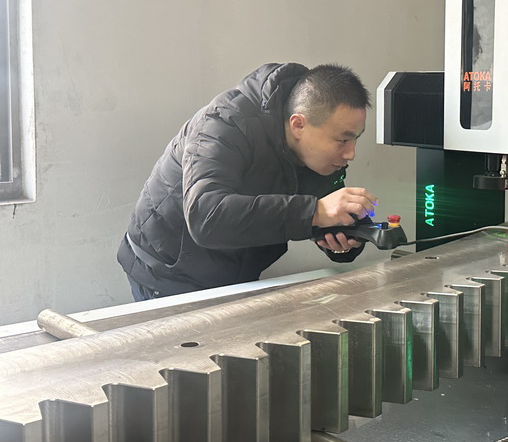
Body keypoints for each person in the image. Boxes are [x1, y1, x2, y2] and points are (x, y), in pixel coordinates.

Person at [117, 62, 378, 301]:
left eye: (356, 138)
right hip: (166, 275)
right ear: (298, 125)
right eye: (342, 140)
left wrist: (346, 240)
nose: (350, 153)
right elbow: (206, 216)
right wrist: (315, 212)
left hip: (235, 275)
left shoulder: (319, 156)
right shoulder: (224, 123)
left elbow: (321, 214)